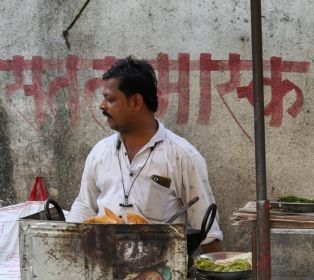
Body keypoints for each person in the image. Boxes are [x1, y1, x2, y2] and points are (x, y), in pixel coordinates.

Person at [68, 56, 223, 253]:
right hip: (102, 263)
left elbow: (207, 231)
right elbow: (84, 208)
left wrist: (217, 267)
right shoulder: (100, 152)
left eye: (110, 99)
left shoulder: (182, 156)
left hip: (160, 267)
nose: (102, 105)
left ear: (136, 101)